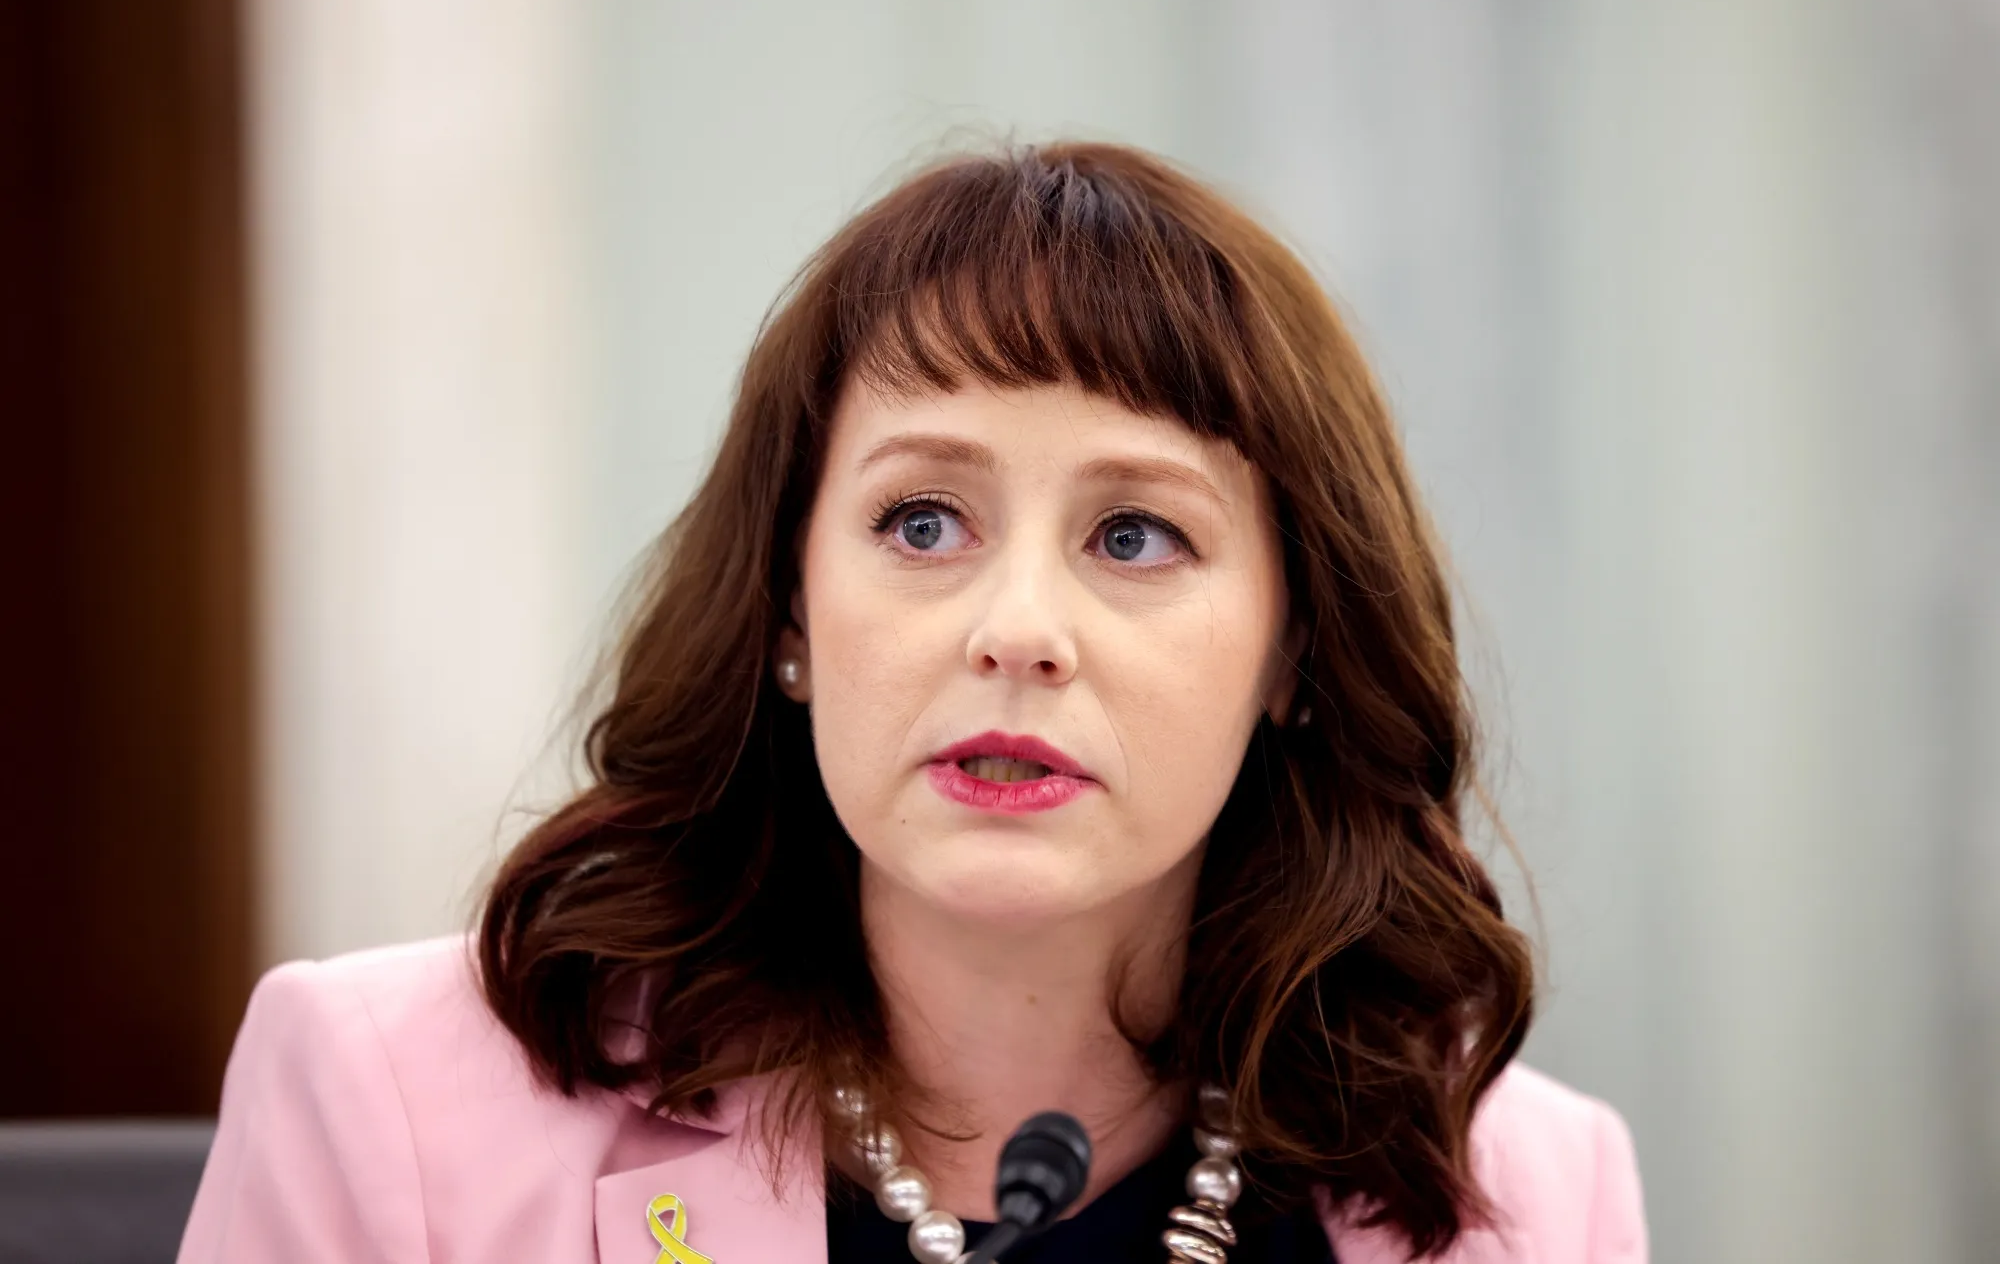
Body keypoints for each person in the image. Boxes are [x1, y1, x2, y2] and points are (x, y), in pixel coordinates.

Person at [178, 142, 1646, 1264]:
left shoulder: (1531, 1196)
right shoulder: (383, 1104)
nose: (1018, 632)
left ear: (1294, 655)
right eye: (924, 522)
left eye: (1136, 534)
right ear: (790, 612)